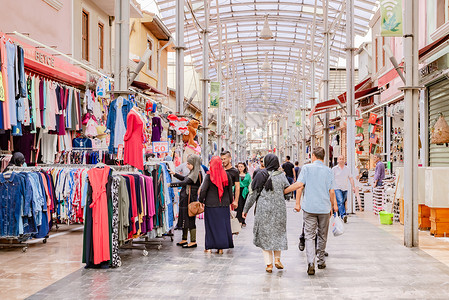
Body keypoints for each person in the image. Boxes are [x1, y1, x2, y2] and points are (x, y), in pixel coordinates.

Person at [285, 147, 338, 276]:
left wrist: (286, 193)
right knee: (322, 235)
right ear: (323, 157)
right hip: (324, 208)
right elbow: (331, 191)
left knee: (309, 235)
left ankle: (310, 262)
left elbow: (299, 185)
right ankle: (321, 260)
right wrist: (333, 206)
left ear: (313, 156)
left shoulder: (307, 168)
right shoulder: (329, 171)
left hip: (309, 208)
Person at [242, 154, 290, 273]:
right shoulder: (282, 176)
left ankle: (269, 264)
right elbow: (288, 194)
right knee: (278, 234)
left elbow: (253, 194)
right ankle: (277, 260)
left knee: (265, 236)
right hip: (279, 210)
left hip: (263, 210)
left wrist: (245, 209)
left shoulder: (260, 174)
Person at [199, 156, 234, 254]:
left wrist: (201, 200)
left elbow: (203, 190)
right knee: (222, 226)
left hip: (211, 205)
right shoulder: (227, 175)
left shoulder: (209, 176)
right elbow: (230, 191)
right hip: (224, 205)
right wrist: (231, 202)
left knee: (211, 226)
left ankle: (209, 247)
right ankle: (221, 248)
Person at [169, 155, 203, 248]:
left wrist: (170, 185)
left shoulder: (197, 174)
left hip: (190, 200)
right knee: (184, 218)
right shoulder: (192, 172)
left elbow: (185, 182)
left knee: (190, 219)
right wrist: (174, 174)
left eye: (189, 164)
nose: (187, 165)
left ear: (194, 164)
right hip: (186, 199)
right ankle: (184, 239)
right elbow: (184, 179)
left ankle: (193, 241)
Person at [332, 155, 356, 223]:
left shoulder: (347, 169)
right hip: (337, 188)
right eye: (340, 159)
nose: (341, 160)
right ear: (338, 160)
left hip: (345, 188)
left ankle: (338, 214)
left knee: (343, 201)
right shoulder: (334, 169)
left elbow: (351, 178)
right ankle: (343, 215)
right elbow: (331, 178)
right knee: (340, 201)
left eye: (343, 159)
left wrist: (353, 187)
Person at [236, 162, 251, 226]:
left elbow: (250, 183)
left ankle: (243, 220)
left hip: (245, 191)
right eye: (239, 166)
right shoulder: (236, 174)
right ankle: (239, 220)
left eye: (241, 166)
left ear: (244, 167)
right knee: (239, 205)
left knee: (244, 206)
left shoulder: (248, 175)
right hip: (237, 190)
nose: (240, 168)